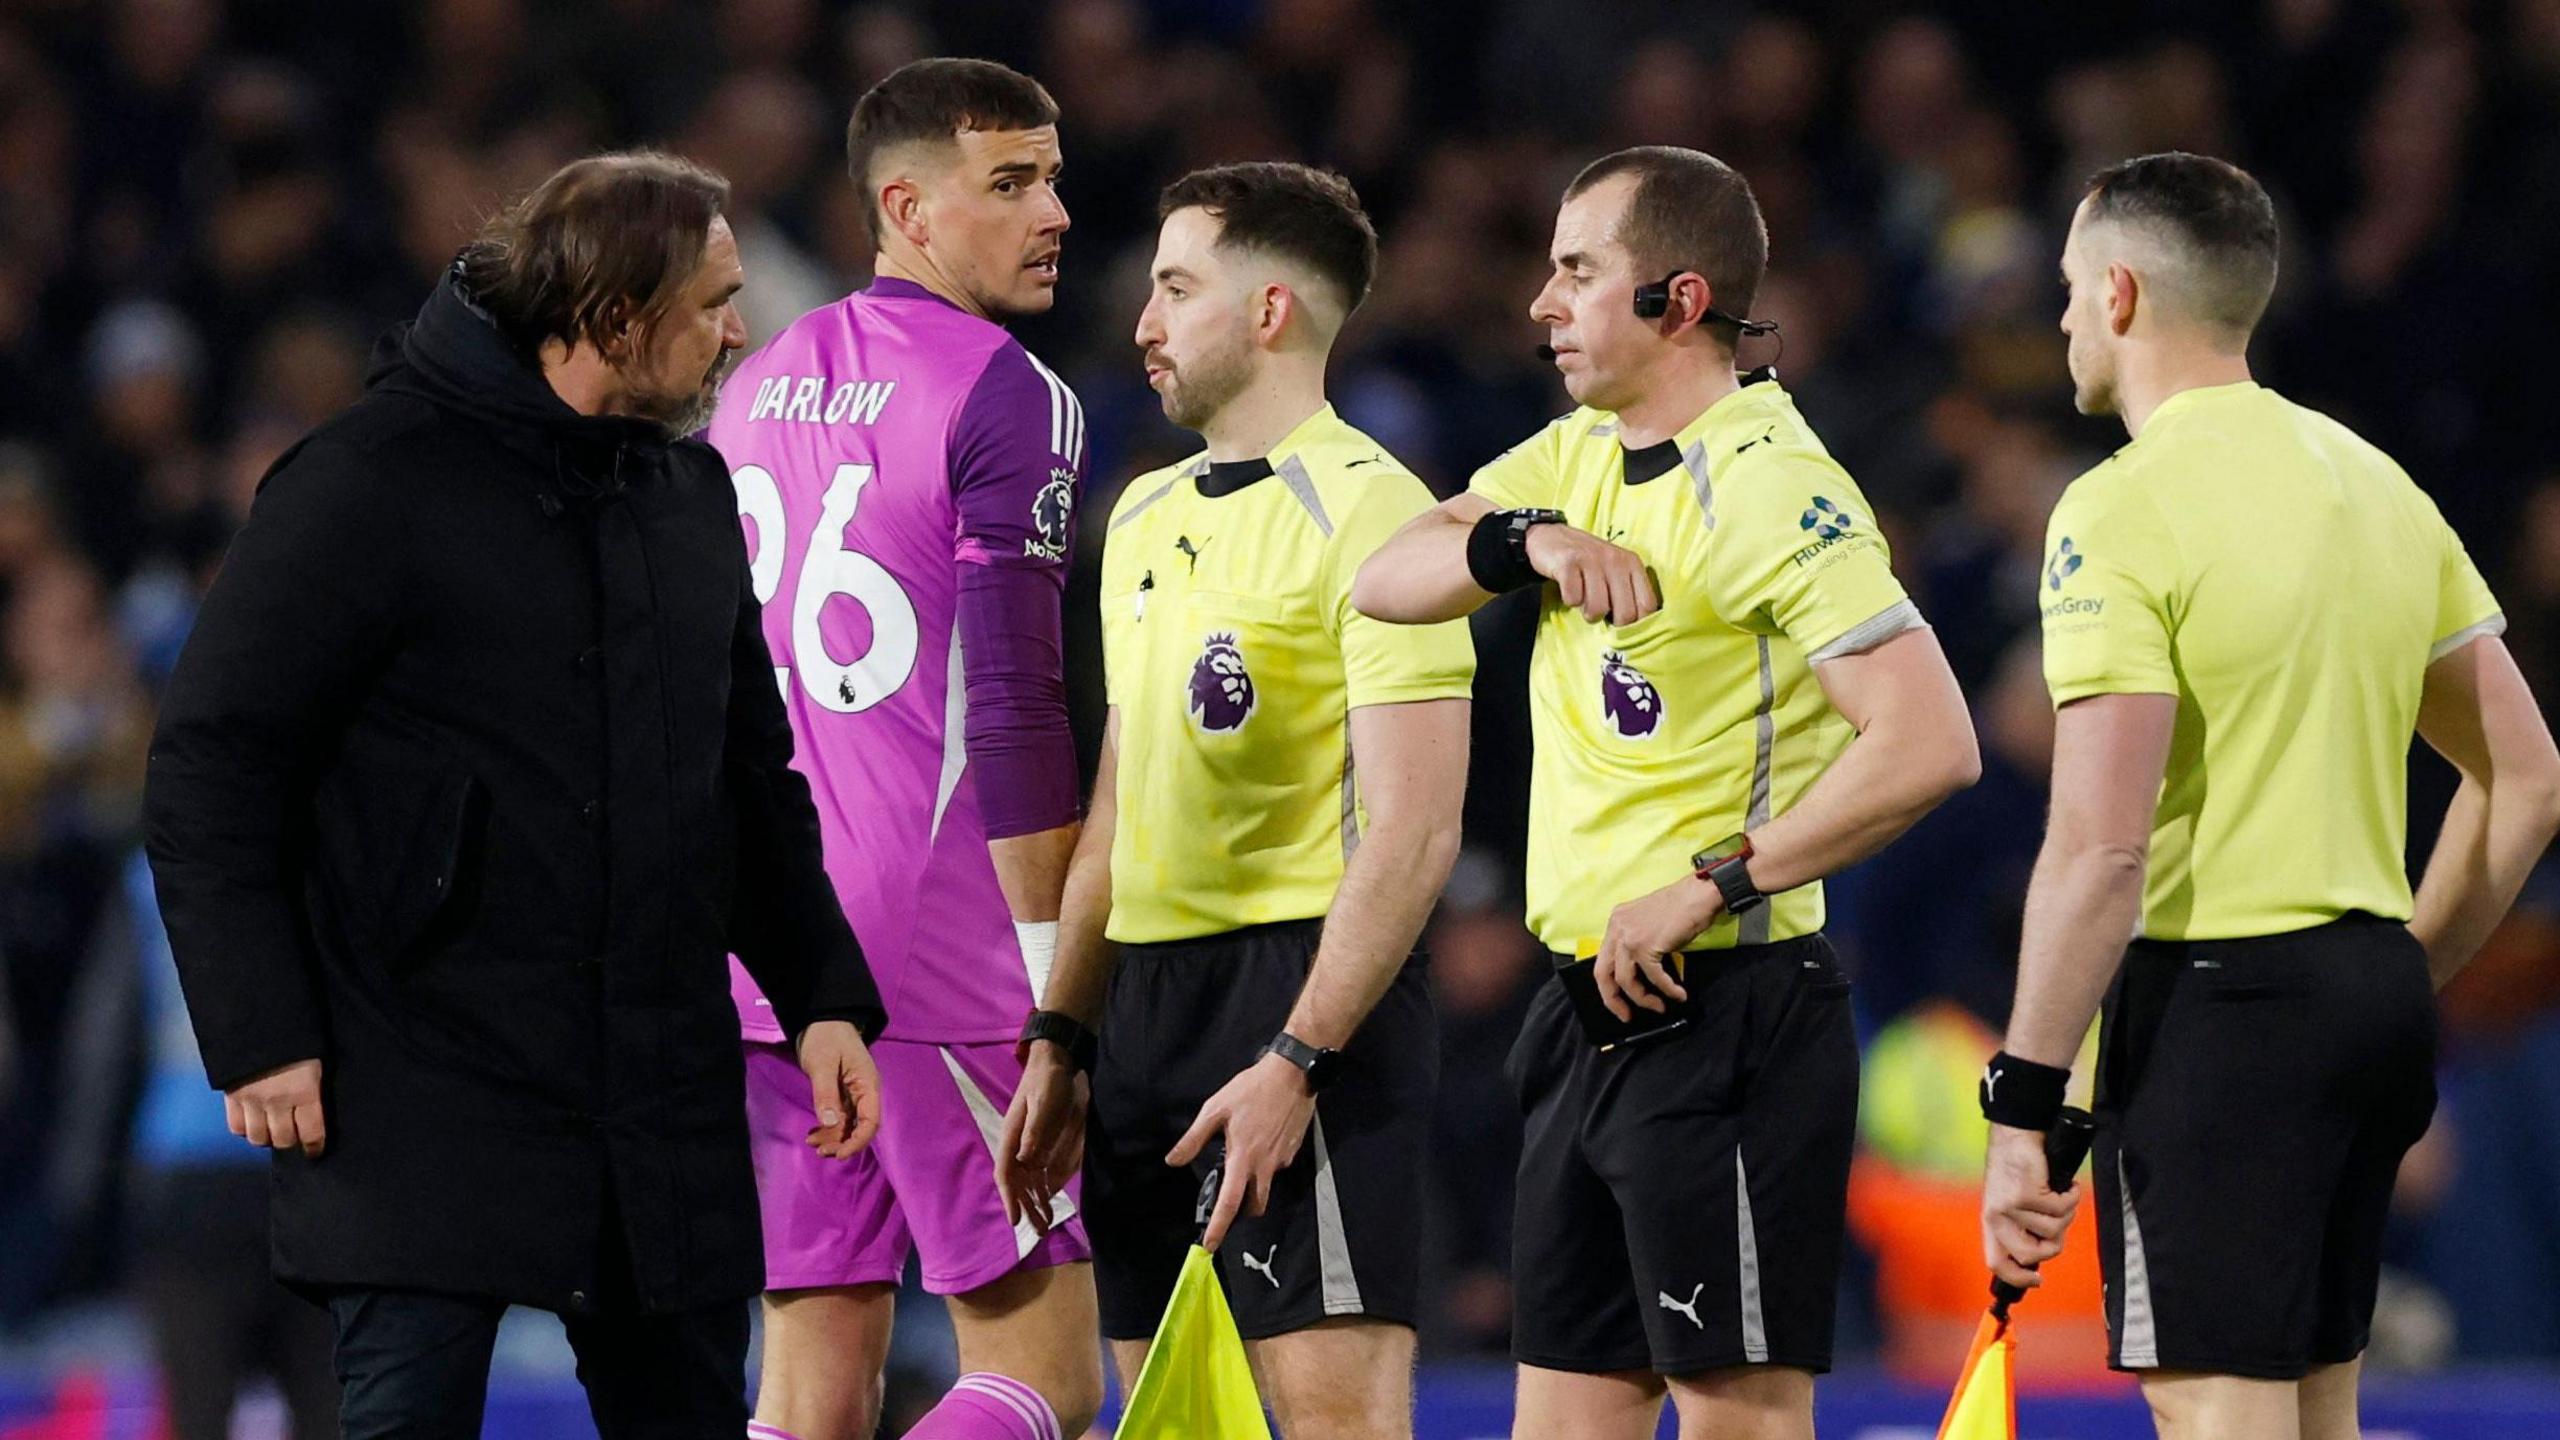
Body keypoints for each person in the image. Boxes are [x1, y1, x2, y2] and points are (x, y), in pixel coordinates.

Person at [141, 151, 885, 1440]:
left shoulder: (690, 494)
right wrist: (258, 1030)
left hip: (653, 1090)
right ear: (611, 318)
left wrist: (821, 991)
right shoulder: (364, 481)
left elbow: (746, 783)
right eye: (712, 303)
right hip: (419, 1086)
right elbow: (212, 763)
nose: (739, 333)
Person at [1353, 145, 1980, 1440]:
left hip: (1726, 1012)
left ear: (1679, 301)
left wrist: (1715, 882)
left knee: (1737, 1420)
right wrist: (1521, 539)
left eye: (1579, 271)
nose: (1543, 303)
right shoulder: (1577, 457)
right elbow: (1384, 575)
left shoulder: (1772, 486)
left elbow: (1929, 742)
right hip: (1583, 1010)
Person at [1979, 151, 2560, 1440]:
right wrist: (2401, 966)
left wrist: (2023, 1098)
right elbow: (2523, 782)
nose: (2063, 316)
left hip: (2215, 1015)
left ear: (2119, 293)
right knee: (2316, 1414)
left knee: (2217, 1417)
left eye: (2071, 289)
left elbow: (2098, 848)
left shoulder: (2118, 510)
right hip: (2363, 1008)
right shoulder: (2377, 483)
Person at [1000, 161, 1474, 1439]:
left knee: (1329, 1422)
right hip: (1142, 1009)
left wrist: (1299, 1057)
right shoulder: (1143, 513)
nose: (1143, 323)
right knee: (1161, 1419)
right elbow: (1123, 795)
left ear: (1270, 310)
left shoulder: (1380, 512)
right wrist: (1064, 1030)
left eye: (1174, 288)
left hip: (1299, 993)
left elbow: (1416, 826)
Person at [704, 57, 1103, 1440]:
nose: (1055, 210)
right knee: (1043, 1377)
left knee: (810, 1386)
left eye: (1051, 176)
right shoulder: (1012, 393)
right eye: (1011, 183)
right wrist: (1055, 992)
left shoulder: (755, 383)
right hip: (939, 948)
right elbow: (1011, 706)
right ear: (907, 205)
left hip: (770, 947)